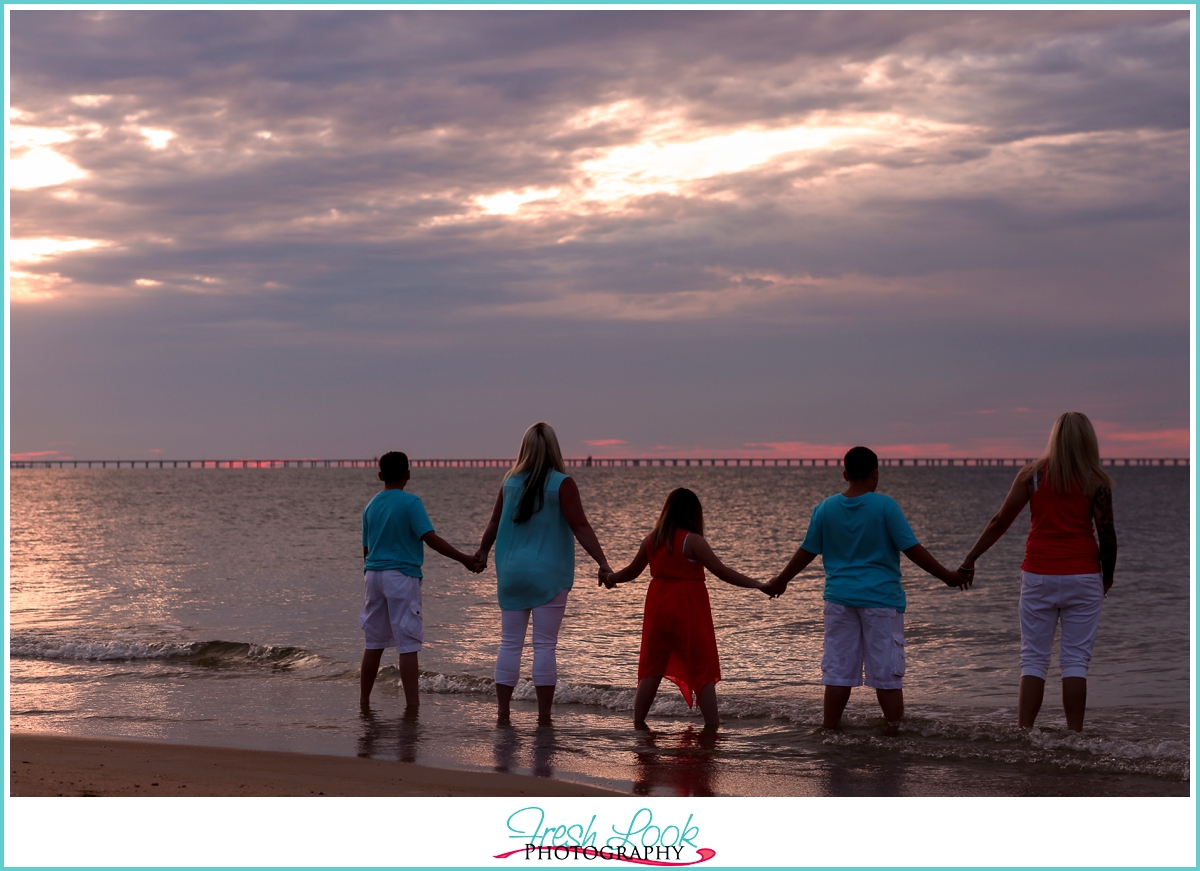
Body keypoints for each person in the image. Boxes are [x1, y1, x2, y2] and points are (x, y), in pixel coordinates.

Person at [766, 446, 970, 731]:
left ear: (845, 474)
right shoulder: (885, 506)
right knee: (886, 675)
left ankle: (830, 731)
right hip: (881, 602)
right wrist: (947, 576)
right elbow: (912, 549)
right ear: (876, 474)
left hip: (838, 600)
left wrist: (781, 580)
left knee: (838, 672)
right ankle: (895, 734)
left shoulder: (825, 508)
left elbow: (807, 551)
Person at [959, 412, 1116, 732]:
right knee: (1075, 662)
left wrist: (970, 558)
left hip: (1038, 575)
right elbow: (1107, 534)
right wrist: (1107, 576)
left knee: (1033, 659)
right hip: (1084, 575)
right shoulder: (1096, 481)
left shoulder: (1031, 476)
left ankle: (1024, 735)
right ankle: (1074, 738)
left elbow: (1000, 521)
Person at [601, 488, 772, 730]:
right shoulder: (693, 541)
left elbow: (630, 572)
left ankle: (638, 723)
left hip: (658, 610)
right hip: (687, 610)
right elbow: (721, 571)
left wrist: (610, 577)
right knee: (701, 666)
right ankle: (712, 725)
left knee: (652, 667)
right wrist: (759, 585)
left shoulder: (651, 540)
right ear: (694, 513)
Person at [474, 423, 611, 725]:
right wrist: (603, 563)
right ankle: (544, 718)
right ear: (554, 448)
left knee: (510, 643)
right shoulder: (562, 483)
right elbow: (580, 527)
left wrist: (483, 553)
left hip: (511, 573)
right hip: (549, 575)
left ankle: (503, 714)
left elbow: (494, 523)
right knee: (544, 645)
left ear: (524, 449)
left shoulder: (509, 481)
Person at [359, 451, 480, 712]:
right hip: (401, 577)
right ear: (408, 474)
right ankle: (412, 706)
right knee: (408, 643)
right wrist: (464, 559)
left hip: (373, 576)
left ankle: (364, 703)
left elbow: (366, 550)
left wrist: (371, 575)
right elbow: (430, 538)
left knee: (373, 643)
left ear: (380, 475)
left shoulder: (370, 506)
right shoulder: (411, 503)